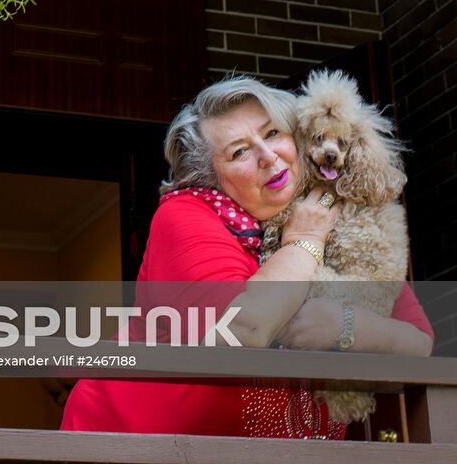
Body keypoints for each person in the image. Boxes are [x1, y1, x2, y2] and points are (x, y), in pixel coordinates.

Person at [60, 76, 433, 439]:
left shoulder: (346, 217)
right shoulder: (186, 216)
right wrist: (305, 240)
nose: (268, 157)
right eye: (240, 152)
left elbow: (419, 343)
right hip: (131, 444)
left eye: (273, 134)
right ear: (211, 178)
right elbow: (243, 332)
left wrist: (344, 326)